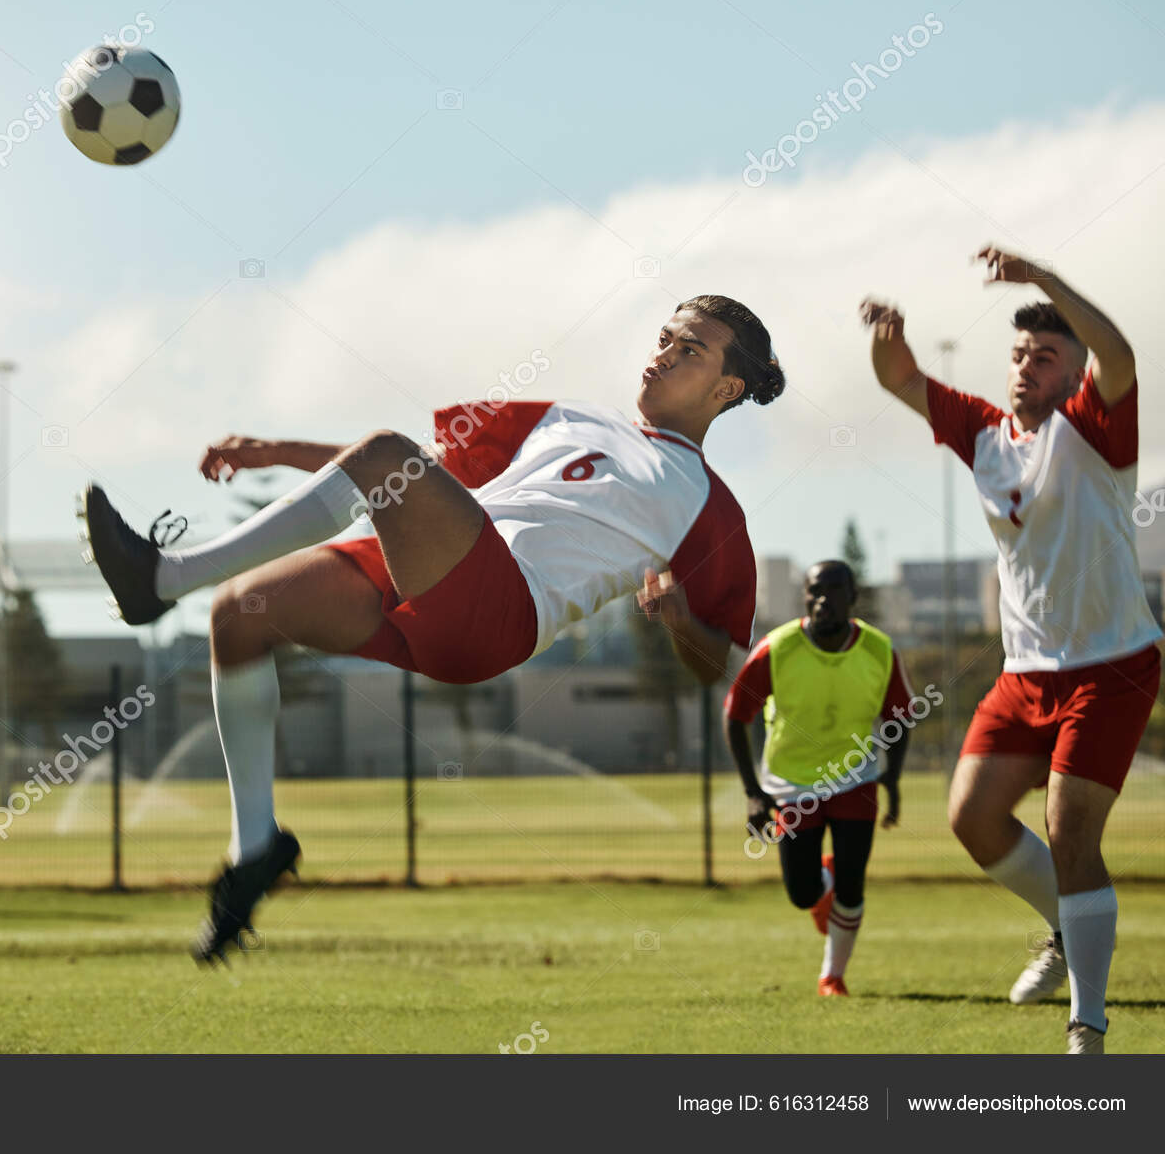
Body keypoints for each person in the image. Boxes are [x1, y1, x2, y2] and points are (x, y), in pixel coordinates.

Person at [80, 296, 785, 963]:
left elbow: (719, 661)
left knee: (385, 454)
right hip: (431, 570)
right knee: (238, 615)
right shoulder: (569, 417)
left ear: (726, 390)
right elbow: (406, 468)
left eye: (688, 349)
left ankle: (161, 580)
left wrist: (678, 618)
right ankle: (253, 847)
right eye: (664, 337)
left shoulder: (709, 508)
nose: (661, 354)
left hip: (499, 612)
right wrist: (276, 449)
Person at [861, 246, 1162, 1054]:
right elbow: (901, 380)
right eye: (1020, 353)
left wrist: (1045, 279)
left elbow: (1124, 354)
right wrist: (889, 347)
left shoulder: (1097, 425)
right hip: (1025, 674)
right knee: (972, 816)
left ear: (1074, 377)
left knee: (1071, 833)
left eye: (1046, 355)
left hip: (1113, 663)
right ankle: (1064, 932)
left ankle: (1088, 1027)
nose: (1026, 365)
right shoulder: (985, 433)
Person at [724, 560, 914, 996]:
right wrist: (753, 792)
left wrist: (893, 780)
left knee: (853, 884)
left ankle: (833, 976)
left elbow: (901, 718)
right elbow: (735, 716)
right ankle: (819, 883)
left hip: (855, 779)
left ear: (854, 598)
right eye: (814, 591)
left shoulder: (879, 650)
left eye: (833, 590)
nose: (822, 599)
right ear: (805, 597)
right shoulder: (778, 649)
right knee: (803, 893)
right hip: (792, 785)